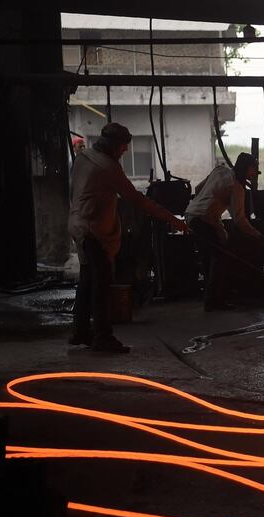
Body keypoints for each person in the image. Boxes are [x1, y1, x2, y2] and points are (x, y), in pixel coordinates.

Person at [68, 122, 189, 353]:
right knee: (101, 285)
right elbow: (138, 200)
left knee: (86, 281)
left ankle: (80, 331)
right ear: (113, 145)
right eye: (123, 148)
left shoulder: (84, 158)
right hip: (92, 231)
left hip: (77, 224)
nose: (124, 152)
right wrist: (173, 220)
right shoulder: (108, 168)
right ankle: (103, 337)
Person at [186, 152, 264, 312]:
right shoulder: (237, 187)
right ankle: (214, 301)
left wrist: (206, 209)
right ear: (246, 169)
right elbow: (239, 220)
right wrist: (259, 237)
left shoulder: (220, 170)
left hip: (191, 215)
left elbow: (198, 188)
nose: (255, 173)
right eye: (254, 169)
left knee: (209, 258)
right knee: (220, 257)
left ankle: (211, 298)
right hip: (202, 220)